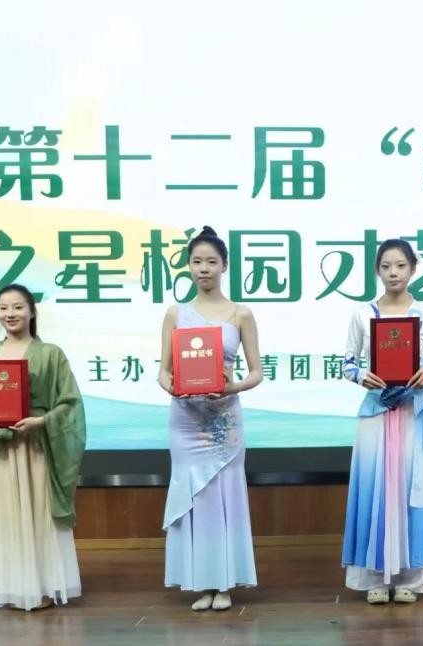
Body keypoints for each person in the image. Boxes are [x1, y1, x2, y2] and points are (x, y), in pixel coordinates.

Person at [0, 284, 85, 610]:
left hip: (34, 450)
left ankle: (42, 587)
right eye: (3, 308)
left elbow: (70, 403)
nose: (10, 314)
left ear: (31, 311)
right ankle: (13, 589)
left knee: (37, 516)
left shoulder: (50, 354)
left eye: (17, 307)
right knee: (5, 518)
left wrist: (40, 421)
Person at [159, 226, 264, 611]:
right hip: (186, 420)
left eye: (211, 262)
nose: (204, 269)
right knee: (195, 498)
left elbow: (256, 372)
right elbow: (163, 372)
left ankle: (225, 583)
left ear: (224, 266)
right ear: (188, 266)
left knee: (225, 498)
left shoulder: (240, 313)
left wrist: (231, 388)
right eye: (197, 262)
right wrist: (173, 388)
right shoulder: (175, 313)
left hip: (224, 421)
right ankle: (201, 583)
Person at [341, 239, 423, 604]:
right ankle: (375, 575)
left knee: (412, 489)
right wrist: (361, 376)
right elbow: (347, 362)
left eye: (400, 266)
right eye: (386, 266)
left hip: (412, 414)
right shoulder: (362, 314)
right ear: (377, 271)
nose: (393, 273)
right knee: (375, 491)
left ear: (413, 269)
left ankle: (411, 578)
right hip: (376, 413)